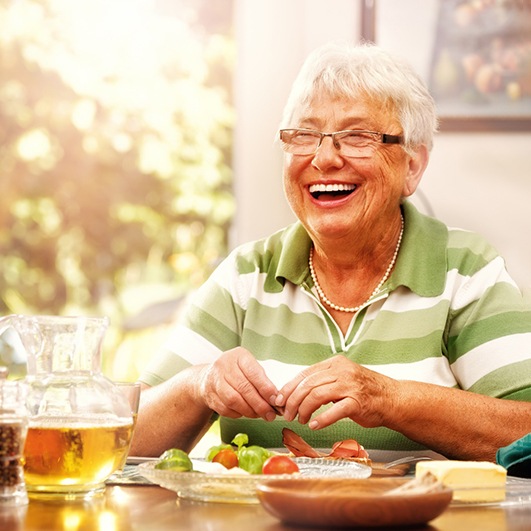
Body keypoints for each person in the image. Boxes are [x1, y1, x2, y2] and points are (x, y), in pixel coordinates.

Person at [131, 42, 531, 462]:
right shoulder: (247, 276)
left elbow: (526, 434)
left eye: (357, 136)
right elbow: (126, 439)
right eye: (304, 135)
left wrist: (389, 400)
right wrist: (198, 384)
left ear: (412, 166)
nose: (323, 158)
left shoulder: (465, 270)